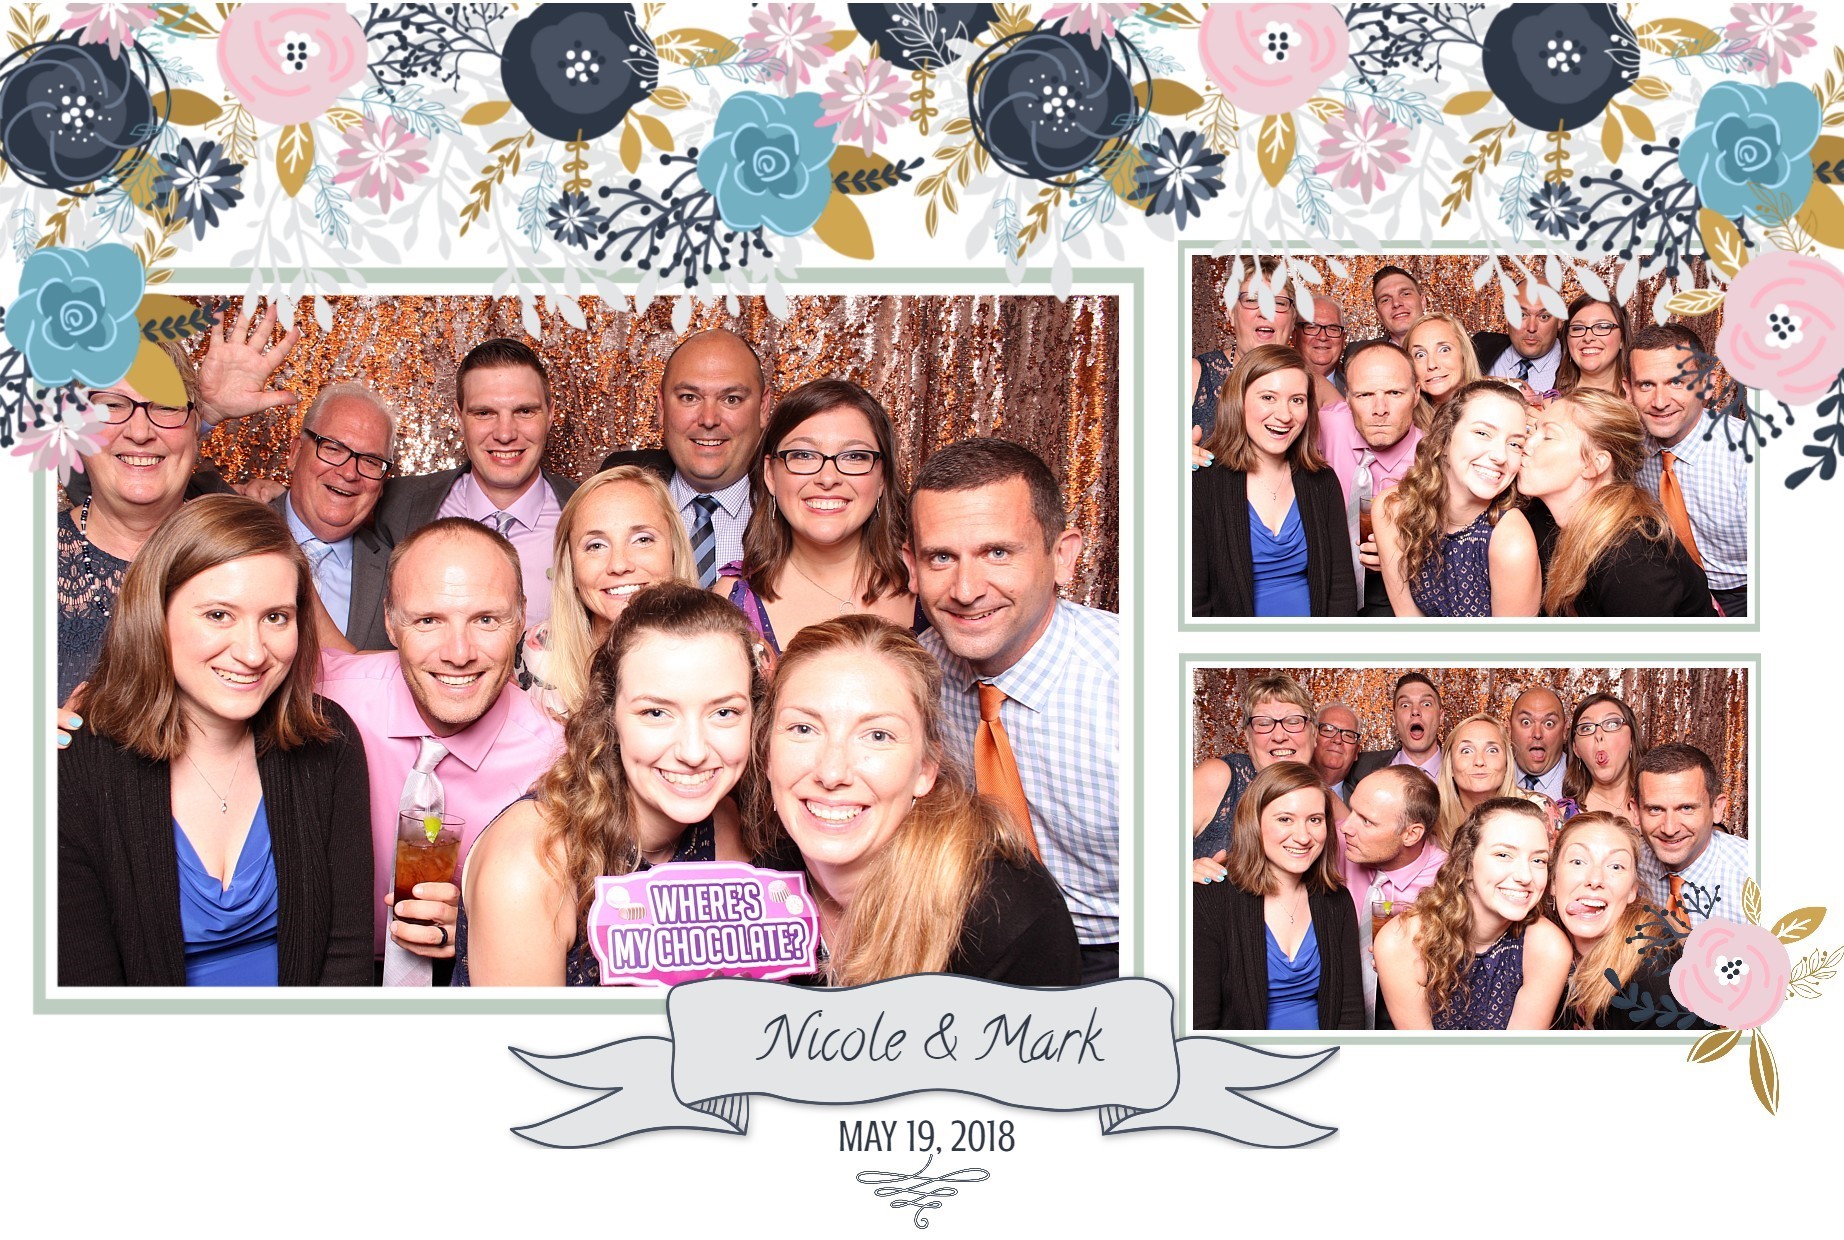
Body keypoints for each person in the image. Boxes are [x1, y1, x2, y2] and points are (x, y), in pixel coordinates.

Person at [59, 496, 373, 985]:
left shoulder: (329, 742)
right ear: (156, 613)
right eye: (219, 615)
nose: (252, 653)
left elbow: (346, 955)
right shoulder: (74, 765)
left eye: (276, 617)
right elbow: (85, 988)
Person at [455, 585, 766, 985]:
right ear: (610, 715)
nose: (693, 752)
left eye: (724, 712)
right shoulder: (530, 864)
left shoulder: (725, 823)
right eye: (656, 713)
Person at [763, 615, 1080, 986]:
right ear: (766, 752)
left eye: (877, 735)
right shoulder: (757, 884)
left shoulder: (1003, 915)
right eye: (803, 729)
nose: (832, 773)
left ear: (926, 769)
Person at [315, 518, 563, 984]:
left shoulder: (559, 761)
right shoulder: (324, 702)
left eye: (486, 620)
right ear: (390, 621)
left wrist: (480, 929)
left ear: (520, 620)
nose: (459, 653)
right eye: (428, 621)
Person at [909, 438, 1119, 982]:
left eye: (997, 553)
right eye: (941, 557)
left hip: (1120, 949)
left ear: (1062, 556)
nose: (965, 590)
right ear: (912, 566)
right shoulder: (914, 677)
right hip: (972, 942)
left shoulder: (1130, 679)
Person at [371, 337, 579, 629]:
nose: (505, 434)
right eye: (484, 413)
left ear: (550, 414)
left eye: (524, 411)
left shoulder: (587, 508)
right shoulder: (398, 505)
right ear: (459, 417)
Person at [717, 378, 918, 653]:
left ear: (882, 477)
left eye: (854, 456)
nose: (828, 478)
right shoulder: (732, 602)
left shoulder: (928, 586)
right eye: (804, 455)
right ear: (770, 474)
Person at [58, 342, 201, 705]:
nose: (140, 432)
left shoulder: (245, 556)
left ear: (196, 427)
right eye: (111, 406)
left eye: (166, 406)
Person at [1373, 797, 1571, 1029]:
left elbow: (1518, 1050)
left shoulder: (1547, 947)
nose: (1525, 876)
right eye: (1503, 855)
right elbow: (1422, 1049)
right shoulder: (1401, 941)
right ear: (1466, 864)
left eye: (1538, 860)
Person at [1192, 762, 1363, 1030]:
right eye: (1285, 819)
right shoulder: (1210, 899)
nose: (1303, 837)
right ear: (1255, 822)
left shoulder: (1336, 900)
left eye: (1314, 820)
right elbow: (1199, 1024)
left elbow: (1349, 1012)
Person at [600, 328, 773, 588]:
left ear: (763, 407)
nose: (709, 419)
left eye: (731, 399)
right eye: (689, 398)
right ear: (661, 406)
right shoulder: (617, 485)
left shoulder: (792, 505)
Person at [519, 466, 697, 718]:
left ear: (674, 550)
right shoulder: (536, 655)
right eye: (596, 546)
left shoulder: (729, 654)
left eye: (642, 539)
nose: (619, 565)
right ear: (571, 566)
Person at [1193, 345, 1357, 617]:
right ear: (1239, 400)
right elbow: (1192, 605)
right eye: (1268, 397)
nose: (1284, 415)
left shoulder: (1322, 481)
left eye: (1297, 400)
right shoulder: (1201, 481)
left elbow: (1341, 589)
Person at [1519, 389, 1715, 616]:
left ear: (1594, 464)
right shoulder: (1540, 517)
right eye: (1533, 430)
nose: (1527, 444)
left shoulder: (1631, 558)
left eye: (1548, 437)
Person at [1372, 380, 1540, 617]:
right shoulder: (1392, 508)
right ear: (1445, 439)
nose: (1501, 456)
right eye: (1483, 433)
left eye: (1514, 443)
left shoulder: (1511, 540)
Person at [1550, 812, 1710, 1030]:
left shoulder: (1656, 973)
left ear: (1632, 890)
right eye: (1578, 862)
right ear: (1553, 881)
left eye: (1616, 866)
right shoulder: (1542, 943)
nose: (1595, 880)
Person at [1631, 324, 1749, 617]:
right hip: (1670, 586)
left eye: (1677, 382)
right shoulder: (1629, 450)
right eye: (1646, 385)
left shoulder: (1748, 457)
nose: (1660, 402)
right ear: (1627, 390)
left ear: (1707, 384)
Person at [277, 383, 397, 650]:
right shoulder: (231, 526)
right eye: (333, 449)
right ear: (295, 453)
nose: (350, 473)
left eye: (370, 461)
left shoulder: (399, 574)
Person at [1314, 339, 1424, 616]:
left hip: (1396, 592)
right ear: (1348, 398)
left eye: (1395, 393)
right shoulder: (1327, 425)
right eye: (1364, 395)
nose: (1380, 409)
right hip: (1324, 583)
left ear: (1416, 394)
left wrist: (1407, 553)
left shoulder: (1433, 460)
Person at [1335, 764, 1446, 1026]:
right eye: (1352, 810)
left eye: (1366, 821)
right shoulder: (1331, 844)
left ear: (1411, 834)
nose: (1346, 827)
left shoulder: (1448, 881)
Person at [1194, 674, 1318, 875]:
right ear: (1247, 736)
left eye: (1293, 721)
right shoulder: (1218, 778)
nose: (1279, 736)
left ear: (1314, 733)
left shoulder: (1322, 797)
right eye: (1264, 723)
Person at [1635, 743, 1753, 929]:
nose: (1669, 829)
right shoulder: (1629, 865)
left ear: (1717, 808)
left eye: (1686, 808)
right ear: (1636, 811)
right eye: (1655, 809)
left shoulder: (1754, 874)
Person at [1191, 257, 1298, 434]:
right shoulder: (1194, 374)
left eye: (1278, 302)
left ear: (1293, 320)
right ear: (1232, 314)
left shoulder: (1309, 381)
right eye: (1252, 300)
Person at [1436, 714, 1518, 846]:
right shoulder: (1432, 821)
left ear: (1507, 764)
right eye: (1466, 751)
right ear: (1450, 766)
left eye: (1492, 750)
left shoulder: (1538, 812)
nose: (1479, 761)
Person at [1352, 672, 1447, 784]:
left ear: (1441, 716)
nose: (1415, 711)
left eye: (1426, 704)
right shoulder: (1360, 768)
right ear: (1395, 718)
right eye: (1405, 705)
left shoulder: (1459, 768)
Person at [1473, 282, 1563, 397]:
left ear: (1560, 320)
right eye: (1522, 315)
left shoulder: (1576, 362)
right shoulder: (1479, 346)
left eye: (1544, 317)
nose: (1531, 328)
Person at [1564, 693, 1642, 821]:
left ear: (1632, 740)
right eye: (1586, 728)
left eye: (1612, 724)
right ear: (1576, 748)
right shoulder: (1561, 816)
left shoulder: (1660, 803)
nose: (1598, 735)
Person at [1404, 312, 1483, 423]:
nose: (1431, 365)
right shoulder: (1406, 424)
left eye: (1444, 350)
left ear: (1464, 354)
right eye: (1420, 355)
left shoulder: (1495, 407)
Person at [1556, 295, 1633, 397]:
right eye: (1578, 328)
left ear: (1622, 338)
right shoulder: (1549, 404)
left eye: (1602, 327)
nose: (1588, 338)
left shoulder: (1644, 402)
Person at [1508, 685, 1569, 800]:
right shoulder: (1492, 777)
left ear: (1564, 730)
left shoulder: (1584, 783)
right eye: (1526, 722)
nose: (1537, 734)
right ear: (1510, 729)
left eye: (1549, 723)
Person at [1293, 296, 1348, 405]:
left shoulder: (1357, 389)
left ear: (1343, 340)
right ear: (1295, 336)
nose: (1322, 337)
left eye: (1332, 329)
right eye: (1312, 327)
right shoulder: (1275, 381)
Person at [1312, 701, 1361, 802]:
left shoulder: (1361, 803)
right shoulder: (1284, 789)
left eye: (1348, 735)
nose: (1338, 740)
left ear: (1356, 752)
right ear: (1311, 738)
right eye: (1328, 730)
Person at [1372, 265, 1426, 346]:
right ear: (1378, 313)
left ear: (1422, 302)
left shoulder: (1447, 339)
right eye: (1385, 300)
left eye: (1405, 294)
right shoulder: (1360, 352)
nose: (1396, 303)